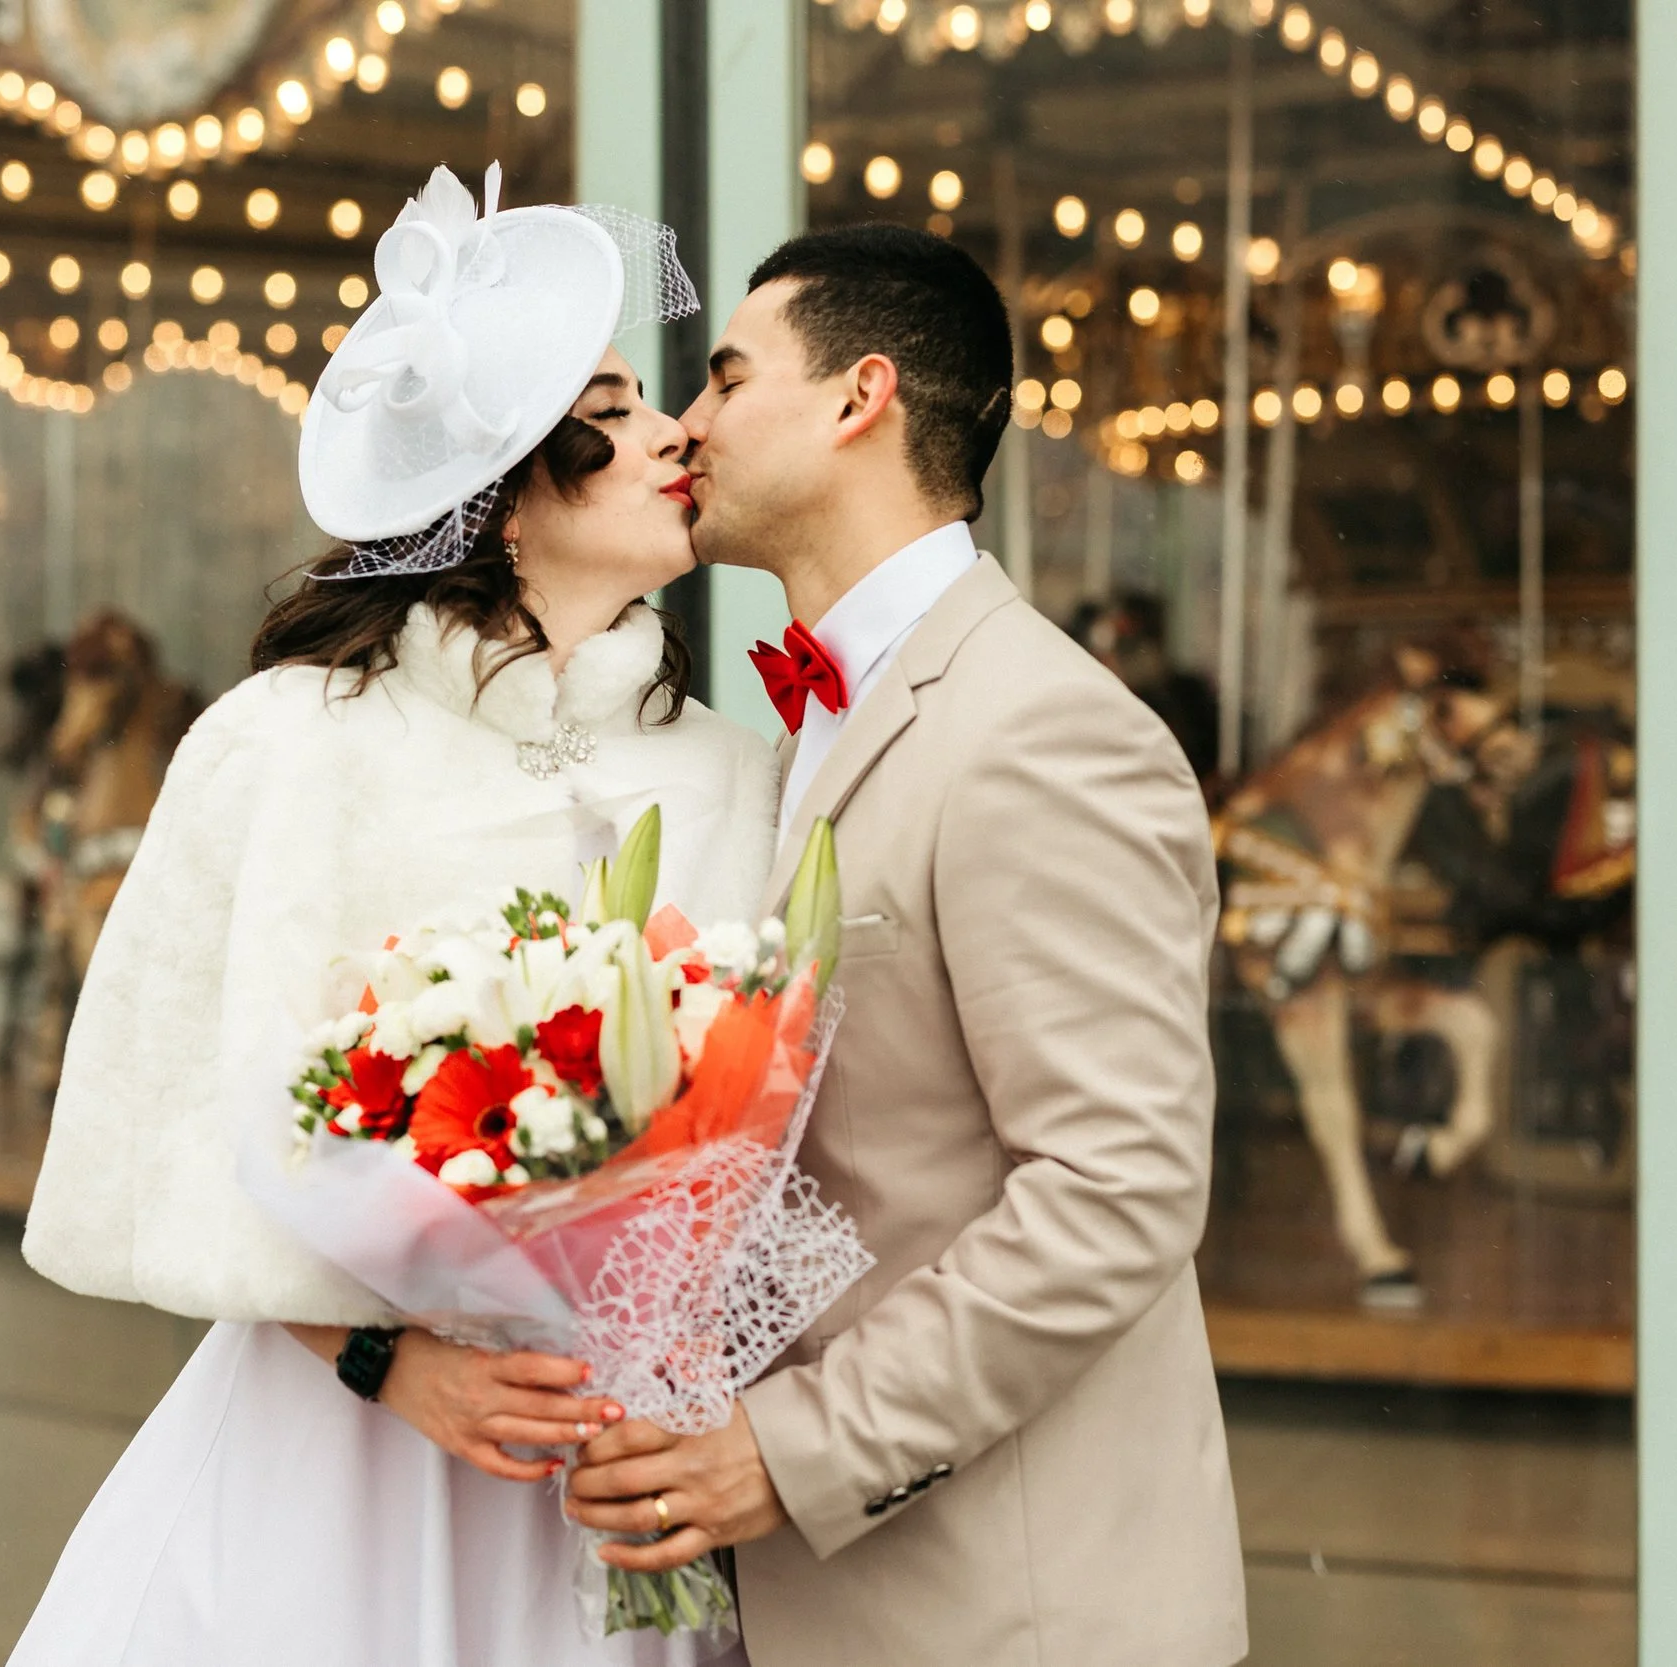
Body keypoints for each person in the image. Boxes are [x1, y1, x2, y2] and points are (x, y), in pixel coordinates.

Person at [9, 164, 771, 1667]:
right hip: (337, 1471)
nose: (676, 428)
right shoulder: (288, 741)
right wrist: (386, 1357)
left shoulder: (733, 768)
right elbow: (176, 1121)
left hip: (630, 1475)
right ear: (497, 481)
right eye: (613, 407)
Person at [565, 224, 1248, 1665]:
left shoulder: (1043, 731)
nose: (684, 427)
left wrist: (795, 1445)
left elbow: (1116, 1190)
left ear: (858, 398)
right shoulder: (789, 736)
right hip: (816, 1601)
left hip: (1006, 1611)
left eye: (726, 378)